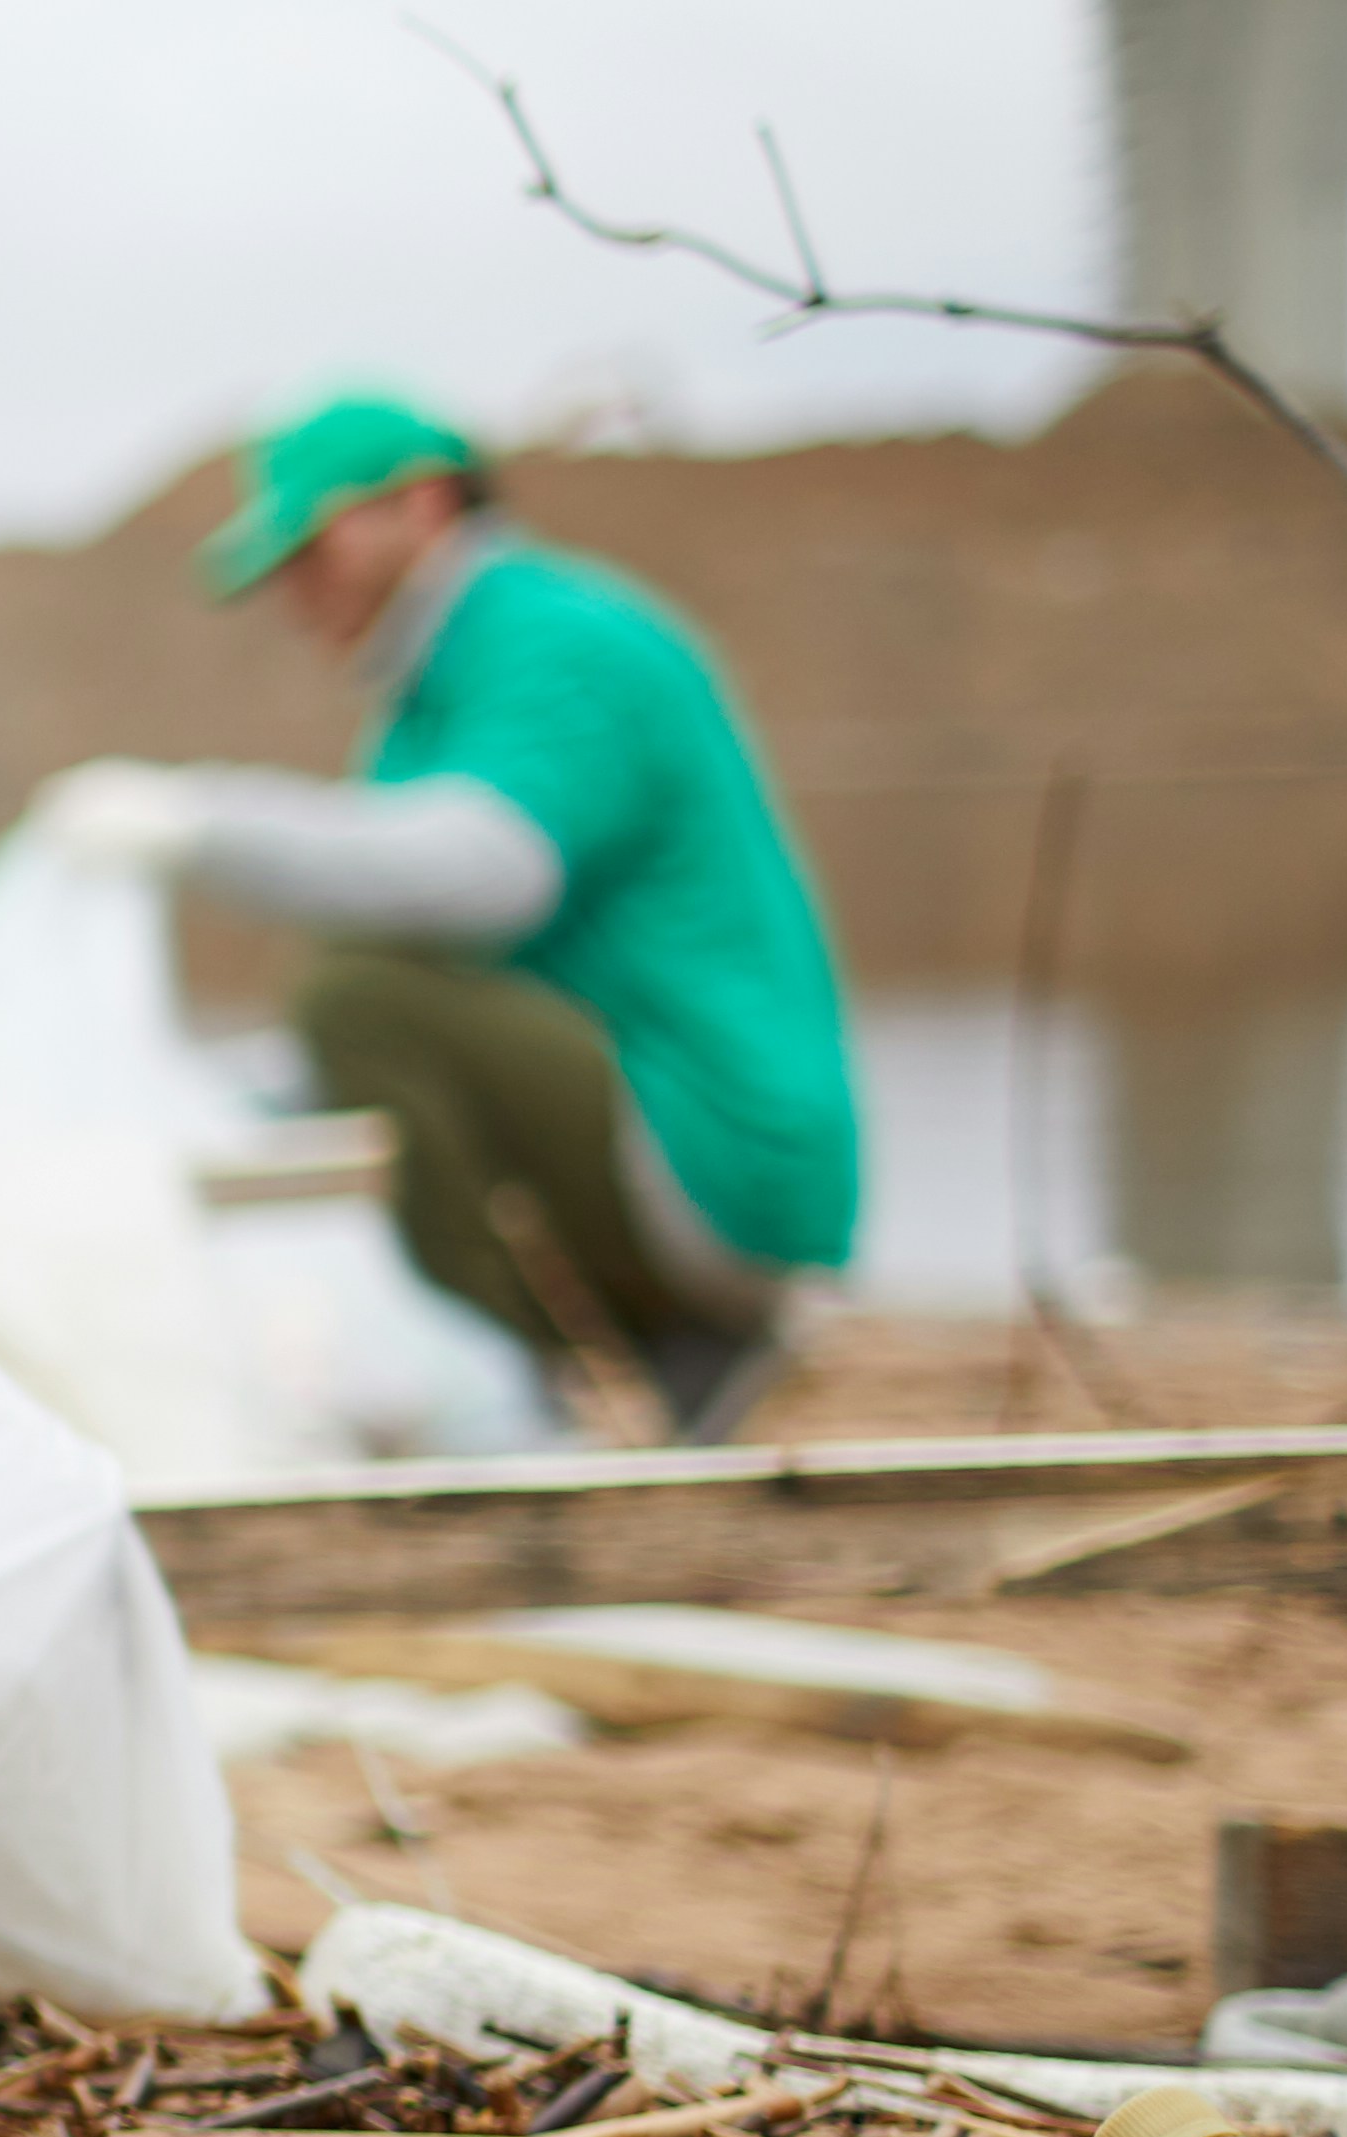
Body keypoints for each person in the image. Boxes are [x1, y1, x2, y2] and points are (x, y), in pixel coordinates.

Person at [42, 391, 859, 1441]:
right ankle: (633, 1355)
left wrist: (199, 821)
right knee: (357, 999)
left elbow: (482, 875)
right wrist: (175, 1098)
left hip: (726, 1168)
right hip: (660, 1154)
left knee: (360, 997)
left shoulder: (554, 637)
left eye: (311, 548)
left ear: (421, 506)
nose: (293, 593)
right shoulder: (434, 702)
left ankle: (517, 1392)